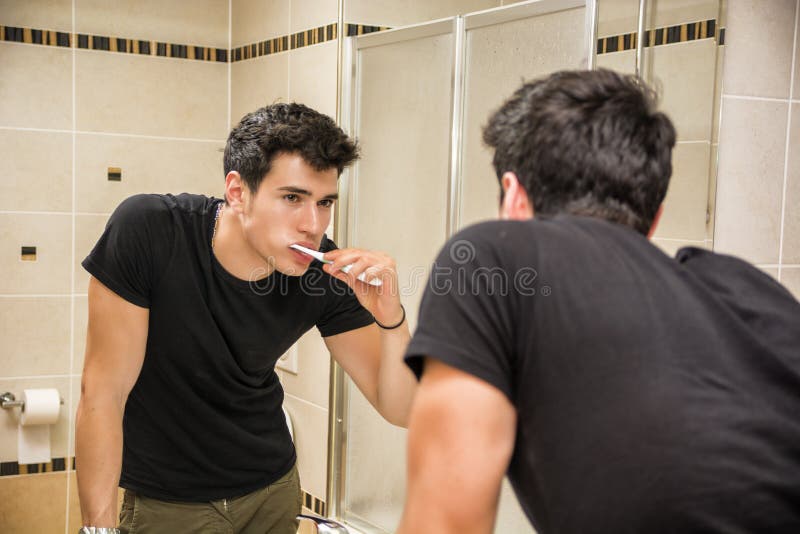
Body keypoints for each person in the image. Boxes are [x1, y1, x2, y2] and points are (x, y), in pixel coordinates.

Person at [399, 69, 800, 534]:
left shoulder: (492, 258)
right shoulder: (749, 288)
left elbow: (446, 523)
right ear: (653, 220)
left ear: (513, 197)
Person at [76, 103, 417, 534]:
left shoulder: (322, 273)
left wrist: (393, 318)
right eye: (292, 198)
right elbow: (102, 393)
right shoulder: (150, 231)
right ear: (237, 192)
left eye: (325, 202)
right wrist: (98, 529)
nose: (313, 223)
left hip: (273, 492)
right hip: (169, 503)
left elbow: (401, 408)